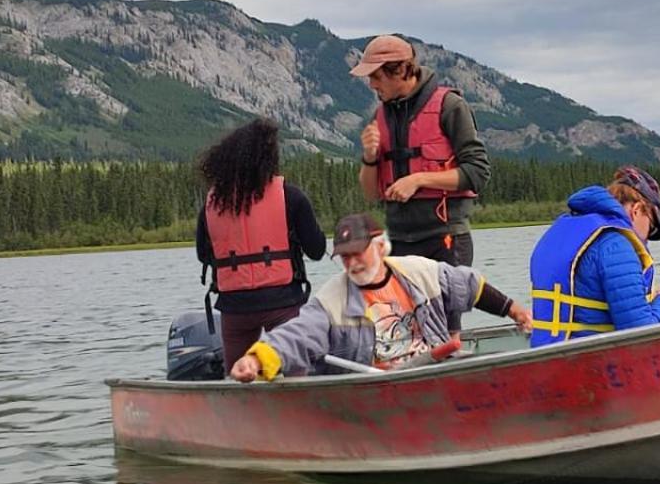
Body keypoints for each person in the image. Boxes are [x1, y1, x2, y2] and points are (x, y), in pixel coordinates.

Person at [228, 213, 532, 382]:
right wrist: (256, 358)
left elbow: (469, 285)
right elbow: (297, 335)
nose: (352, 263)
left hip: (437, 373)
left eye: (357, 253)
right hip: (375, 386)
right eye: (344, 257)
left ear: (380, 247)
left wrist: (516, 312)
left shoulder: (420, 272)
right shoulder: (331, 300)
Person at [195, 117, 327, 372]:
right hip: (283, 303)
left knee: (237, 375)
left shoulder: (212, 204)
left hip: (234, 308)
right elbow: (317, 250)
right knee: (295, 371)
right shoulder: (292, 196)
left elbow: (204, 255)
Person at [351, 34, 489, 268]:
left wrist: (418, 180)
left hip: (446, 241)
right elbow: (372, 194)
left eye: (376, 76)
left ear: (402, 70)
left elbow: (478, 172)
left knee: (445, 306)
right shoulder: (379, 117)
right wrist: (370, 158)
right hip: (398, 244)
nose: (372, 84)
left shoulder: (450, 106)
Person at [526, 166, 660, 347]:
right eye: (651, 226)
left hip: (552, 356)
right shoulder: (616, 246)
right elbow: (639, 333)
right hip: (589, 363)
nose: (647, 239)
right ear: (636, 210)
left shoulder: (568, 233)